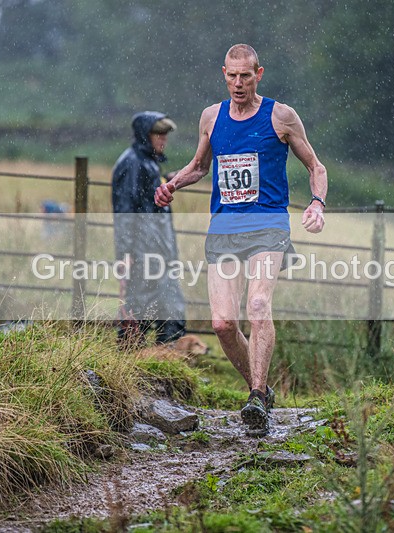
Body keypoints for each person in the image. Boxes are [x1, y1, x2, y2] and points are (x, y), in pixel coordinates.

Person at [154, 44, 327, 436]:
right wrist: (172, 184)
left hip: (268, 226)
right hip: (224, 230)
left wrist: (317, 203)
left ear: (258, 74)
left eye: (245, 76)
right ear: (223, 74)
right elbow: (200, 166)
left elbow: (316, 166)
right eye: (231, 76)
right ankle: (262, 391)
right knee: (222, 323)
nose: (237, 83)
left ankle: (255, 398)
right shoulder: (211, 117)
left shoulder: (280, 116)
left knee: (259, 304)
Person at [112, 111, 186, 347]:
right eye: (158, 134)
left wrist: (166, 180)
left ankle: (166, 364)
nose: (163, 140)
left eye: (165, 135)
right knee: (140, 309)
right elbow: (125, 211)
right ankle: (131, 368)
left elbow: (147, 198)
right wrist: (125, 254)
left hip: (158, 250)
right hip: (142, 251)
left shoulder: (147, 163)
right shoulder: (132, 162)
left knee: (167, 309)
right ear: (145, 135)